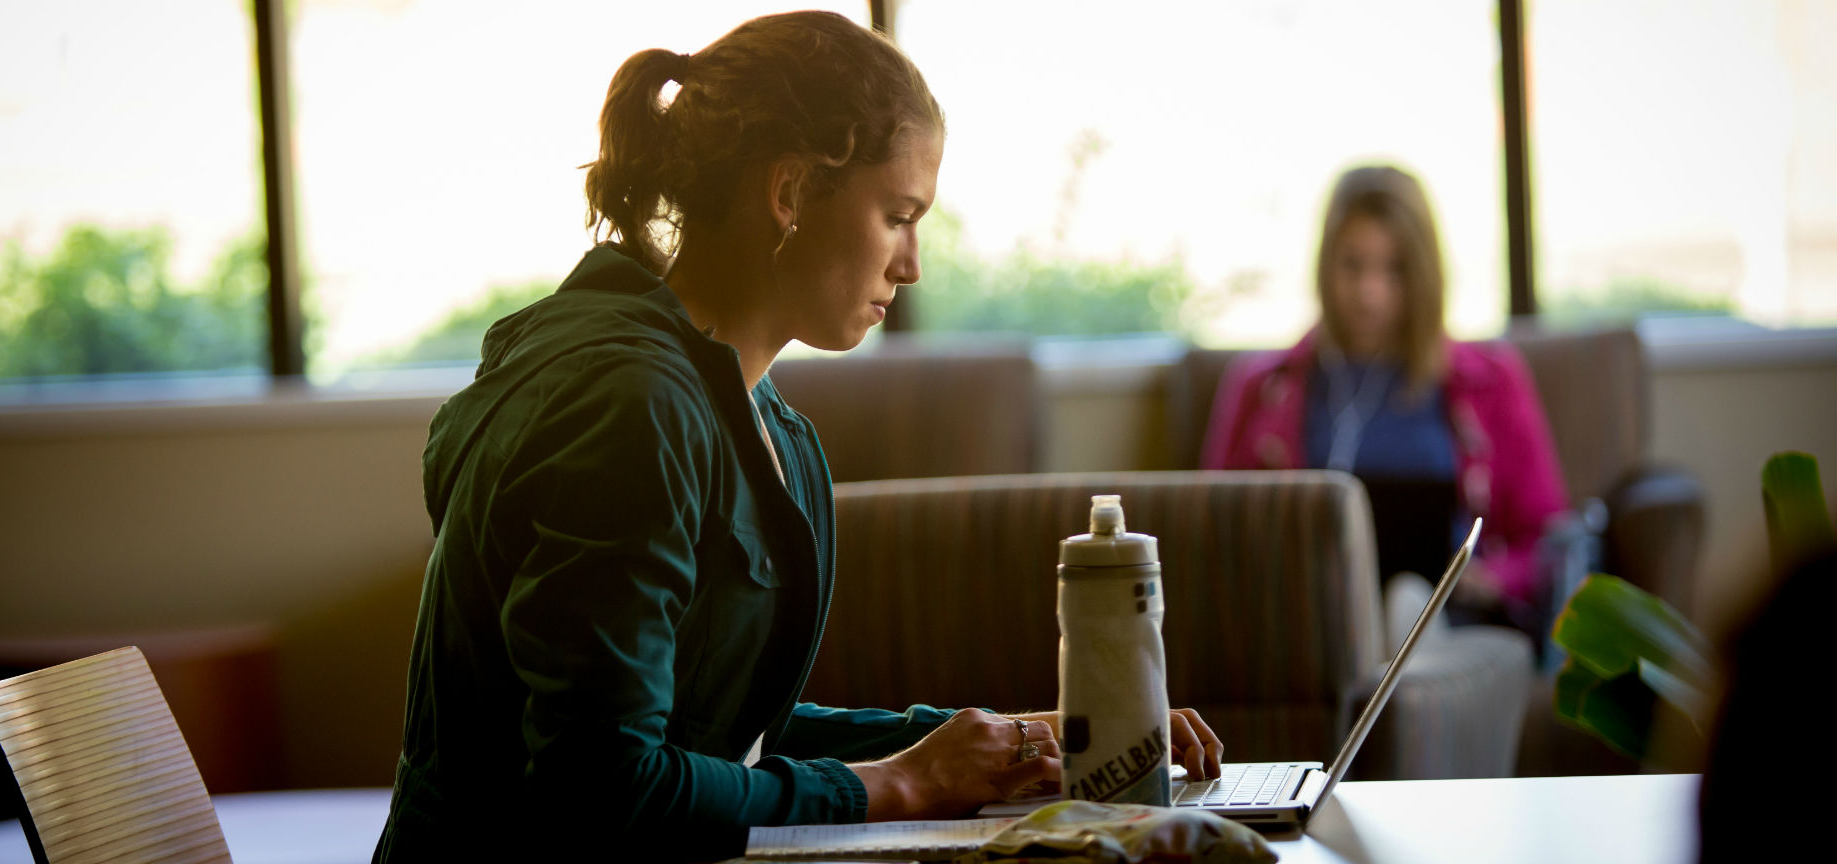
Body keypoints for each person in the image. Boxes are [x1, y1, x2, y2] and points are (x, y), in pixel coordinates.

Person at [373, 12, 1223, 862]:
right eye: (898, 214)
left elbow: (726, 738)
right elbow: (601, 784)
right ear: (789, 193)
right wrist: (900, 783)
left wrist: (1007, 743)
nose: (912, 264)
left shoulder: (765, 426)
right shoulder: (629, 405)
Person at [1201, 165, 1569, 638]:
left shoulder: (1492, 382)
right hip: (1308, 622)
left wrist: (1491, 579)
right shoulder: (1260, 387)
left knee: (1408, 616)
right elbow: (1213, 532)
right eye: (1352, 265)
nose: (1369, 292)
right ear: (1325, 264)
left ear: (1423, 274)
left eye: (1393, 269)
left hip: (1455, 624)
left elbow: (1549, 539)